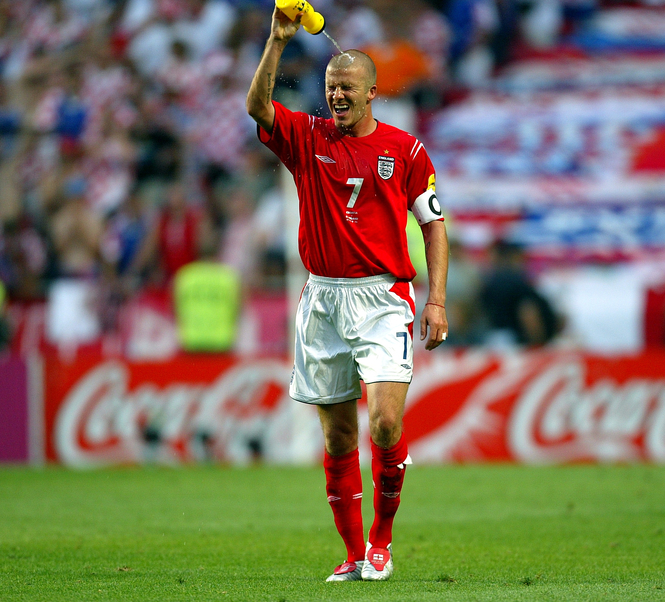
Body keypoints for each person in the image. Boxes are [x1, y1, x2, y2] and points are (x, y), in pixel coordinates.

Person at [246, 8, 449, 583]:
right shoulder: (307, 138)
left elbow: (433, 225)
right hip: (322, 300)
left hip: (384, 297)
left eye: (348, 87)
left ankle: (382, 541)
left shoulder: (405, 151)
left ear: (372, 93)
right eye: (331, 87)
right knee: (338, 435)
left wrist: (436, 299)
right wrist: (278, 41)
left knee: (384, 424)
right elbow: (258, 108)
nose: (337, 95)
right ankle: (355, 553)